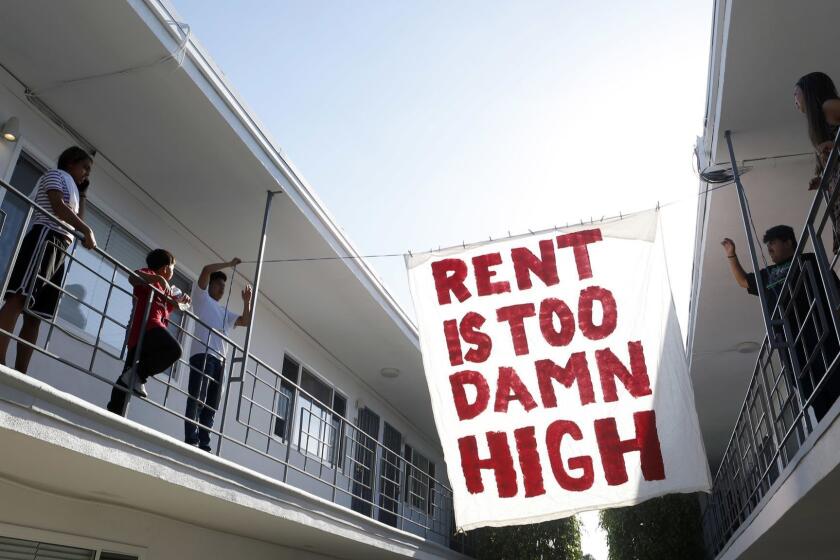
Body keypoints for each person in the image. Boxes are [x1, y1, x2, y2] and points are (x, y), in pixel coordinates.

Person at [722, 226, 840, 420]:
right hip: (790, 342)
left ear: (788, 242)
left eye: (773, 243)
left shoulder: (809, 259)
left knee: (833, 374)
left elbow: (834, 289)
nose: (769, 248)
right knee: (811, 392)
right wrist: (731, 255)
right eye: (767, 245)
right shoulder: (767, 274)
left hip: (819, 327)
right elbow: (744, 281)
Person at [0, 146, 97, 374]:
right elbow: (56, 206)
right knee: (19, 297)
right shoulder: (56, 175)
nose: (86, 174)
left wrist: (82, 195)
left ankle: (20, 371)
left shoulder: (73, 187)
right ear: (71, 162)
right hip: (45, 237)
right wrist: (87, 230)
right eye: (85, 167)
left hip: (60, 246)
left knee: (36, 315)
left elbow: (76, 221)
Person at [106, 249, 189, 415]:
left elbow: (176, 306)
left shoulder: (167, 288)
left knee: (127, 377)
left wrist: (183, 301)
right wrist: (157, 278)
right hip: (146, 328)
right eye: (173, 268)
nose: (173, 272)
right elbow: (133, 276)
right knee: (174, 350)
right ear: (165, 268)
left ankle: (114, 412)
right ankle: (136, 378)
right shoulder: (150, 274)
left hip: (151, 333)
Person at [184, 258, 252, 452]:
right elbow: (205, 269)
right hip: (203, 354)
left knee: (212, 404)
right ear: (210, 285)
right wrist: (229, 264)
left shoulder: (224, 311)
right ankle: (191, 439)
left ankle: (204, 443)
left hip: (220, 360)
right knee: (198, 397)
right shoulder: (201, 298)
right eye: (219, 285)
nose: (222, 289)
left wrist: (246, 301)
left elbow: (245, 321)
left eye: (224, 286)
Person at [794, 72, 840, 252]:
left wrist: (836, 145)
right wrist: (825, 180)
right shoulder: (818, 125)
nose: (795, 100)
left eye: (796, 94)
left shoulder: (829, 107)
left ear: (809, 92)